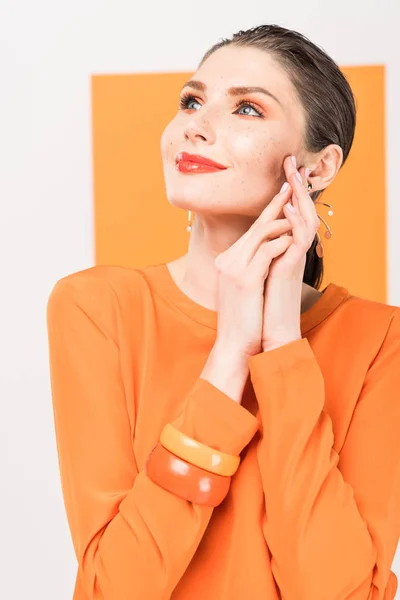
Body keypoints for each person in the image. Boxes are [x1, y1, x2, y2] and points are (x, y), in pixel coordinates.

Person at [46, 24, 400, 600]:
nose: (197, 125)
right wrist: (229, 355)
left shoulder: (381, 339)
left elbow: (339, 592)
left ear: (319, 167)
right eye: (192, 100)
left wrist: (282, 343)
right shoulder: (97, 309)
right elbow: (113, 589)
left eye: (247, 109)